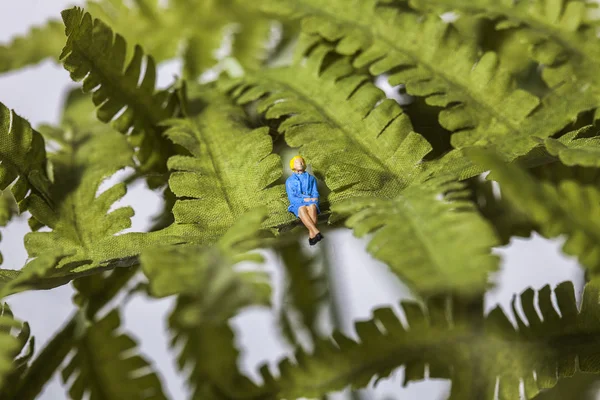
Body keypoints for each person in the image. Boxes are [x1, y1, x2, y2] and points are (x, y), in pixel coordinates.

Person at [285, 155, 324, 245]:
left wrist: (314, 198)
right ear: (292, 165)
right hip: (297, 203)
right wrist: (304, 199)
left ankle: (312, 235)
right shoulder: (289, 181)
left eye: (302, 162)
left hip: (311, 200)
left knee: (312, 207)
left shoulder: (311, 178)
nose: (300, 163)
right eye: (297, 162)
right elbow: (292, 197)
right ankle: (315, 231)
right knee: (302, 209)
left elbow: (315, 192)